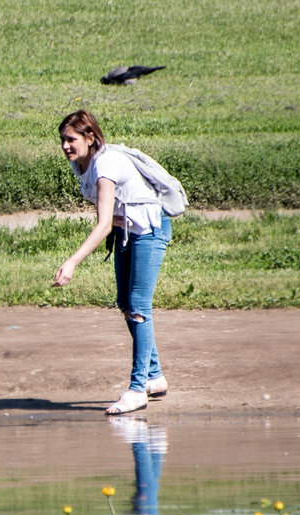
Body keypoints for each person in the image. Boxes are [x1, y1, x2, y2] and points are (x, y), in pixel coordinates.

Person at [52, 110, 171, 415]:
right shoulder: (82, 165)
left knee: (139, 307)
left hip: (149, 230)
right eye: (62, 139)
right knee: (124, 302)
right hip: (126, 232)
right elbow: (110, 219)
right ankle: (154, 376)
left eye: (71, 139)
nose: (65, 145)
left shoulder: (105, 165)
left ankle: (137, 389)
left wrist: (72, 262)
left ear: (90, 138)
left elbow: (102, 224)